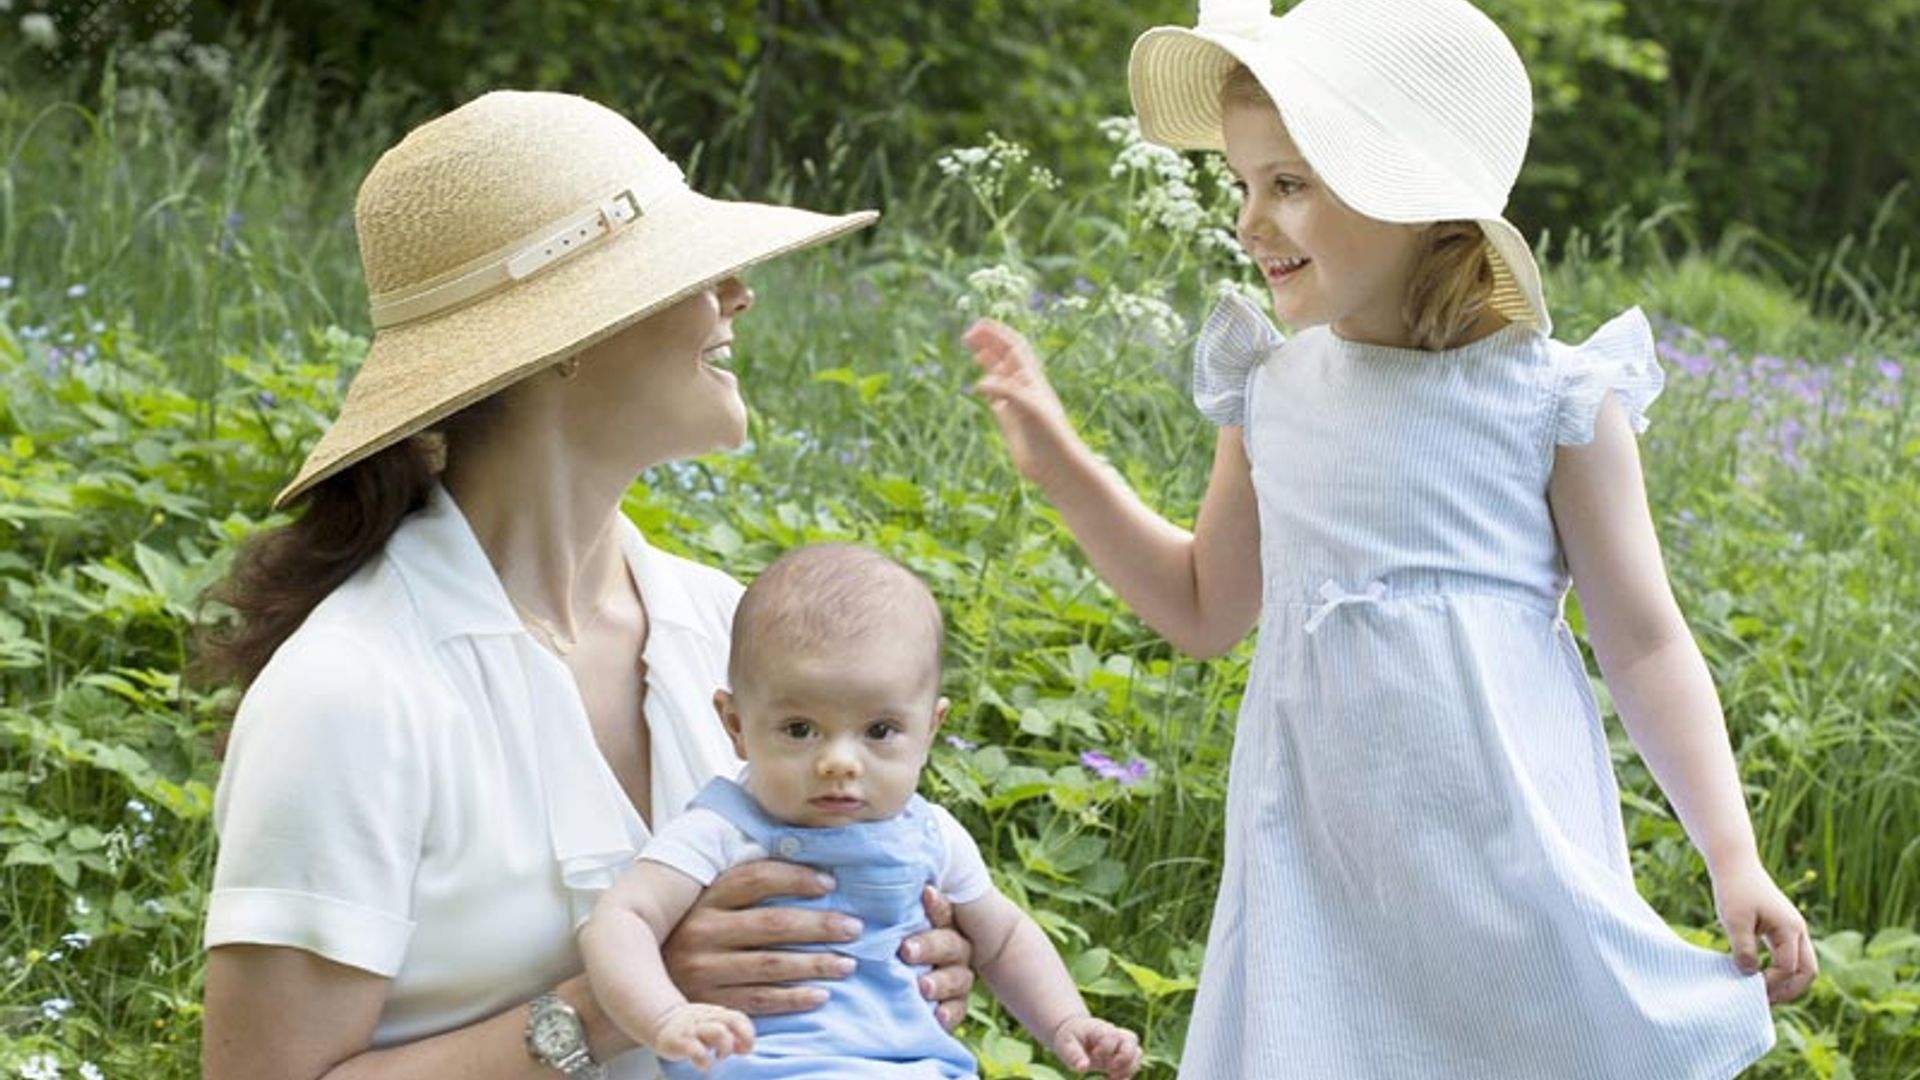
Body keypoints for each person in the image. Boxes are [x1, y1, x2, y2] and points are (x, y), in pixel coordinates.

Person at [962, 0, 1817, 1075]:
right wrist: (1062, 467)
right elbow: (1200, 606)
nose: (1247, 224)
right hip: (1318, 875)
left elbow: (1644, 642)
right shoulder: (1270, 392)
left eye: (1289, 185)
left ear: (1414, 198)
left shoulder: (1552, 399)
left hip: (1505, 866)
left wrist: (1731, 858)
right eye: (1241, 184)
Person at [196, 90, 973, 1080]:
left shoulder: (727, 624)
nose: (737, 292)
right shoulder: (352, 693)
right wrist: (618, 1004)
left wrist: (905, 960)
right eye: (690, 271)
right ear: (564, 336)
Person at [581, 543, 1142, 1079]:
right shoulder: (724, 830)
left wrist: (1068, 1020)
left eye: (880, 731)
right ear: (736, 726)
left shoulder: (933, 836)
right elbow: (622, 919)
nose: (839, 762)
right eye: (800, 730)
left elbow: (1005, 939)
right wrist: (664, 1015)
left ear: (930, 730)